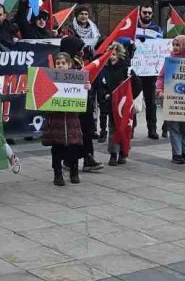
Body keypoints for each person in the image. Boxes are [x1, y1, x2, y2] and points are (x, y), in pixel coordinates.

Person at [61, 36, 103, 173]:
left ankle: (88, 158)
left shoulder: (81, 62)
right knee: (73, 134)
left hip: (84, 103)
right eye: (79, 49)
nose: (81, 51)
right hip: (71, 105)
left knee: (86, 131)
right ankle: (68, 160)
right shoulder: (62, 63)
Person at [42, 52, 84, 186]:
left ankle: (74, 171)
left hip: (72, 121)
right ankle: (58, 173)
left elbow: (84, 100)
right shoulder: (48, 79)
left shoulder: (77, 79)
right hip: (56, 122)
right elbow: (41, 98)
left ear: (69, 64)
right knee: (57, 150)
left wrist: (87, 88)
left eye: (63, 63)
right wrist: (30, 91)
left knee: (73, 149)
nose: (60, 65)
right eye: (58, 63)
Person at [96, 40, 140, 163]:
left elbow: (137, 84)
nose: (112, 57)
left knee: (125, 128)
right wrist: (104, 96)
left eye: (114, 54)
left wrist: (130, 97)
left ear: (120, 55)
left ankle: (122, 152)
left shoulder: (127, 70)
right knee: (113, 128)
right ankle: (113, 153)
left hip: (125, 106)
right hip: (112, 105)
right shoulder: (105, 70)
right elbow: (101, 86)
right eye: (110, 54)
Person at [157, 35, 185, 164]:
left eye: (177, 45)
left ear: (184, 45)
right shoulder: (170, 60)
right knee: (174, 127)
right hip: (172, 98)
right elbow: (161, 77)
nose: (175, 47)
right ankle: (177, 153)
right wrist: (160, 90)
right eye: (173, 45)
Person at [135, 5, 163, 140]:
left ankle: (152, 129)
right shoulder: (133, 28)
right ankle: (131, 128)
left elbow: (160, 47)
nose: (147, 15)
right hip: (135, 71)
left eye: (149, 13)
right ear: (140, 12)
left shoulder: (157, 29)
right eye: (144, 12)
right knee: (133, 100)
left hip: (151, 71)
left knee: (151, 101)